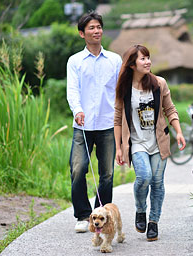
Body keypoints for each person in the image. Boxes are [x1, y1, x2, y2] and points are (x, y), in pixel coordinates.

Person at [114, 45, 186, 241]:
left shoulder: (159, 83)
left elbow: (170, 110)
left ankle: (153, 222)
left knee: (157, 182)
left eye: (148, 58)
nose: (147, 62)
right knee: (144, 177)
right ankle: (140, 209)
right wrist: (119, 148)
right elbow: (118, 118)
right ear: (131, 65)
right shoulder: (124, 88)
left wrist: (179, 132)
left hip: (158, 141)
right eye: (142, 59)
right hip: (136, 143)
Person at [66, 11, 122, 233]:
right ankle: (82, 215)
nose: (96, 30)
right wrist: (77, 110)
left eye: (99, 27)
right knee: (78, 168)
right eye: (91, 28)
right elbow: (72, 90)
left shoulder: (115, 60)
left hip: (108, 124)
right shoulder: (75, 61)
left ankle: (105, 214)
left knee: (106, 172)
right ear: (82, 33)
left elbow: (120, 92)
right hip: (83, 125)